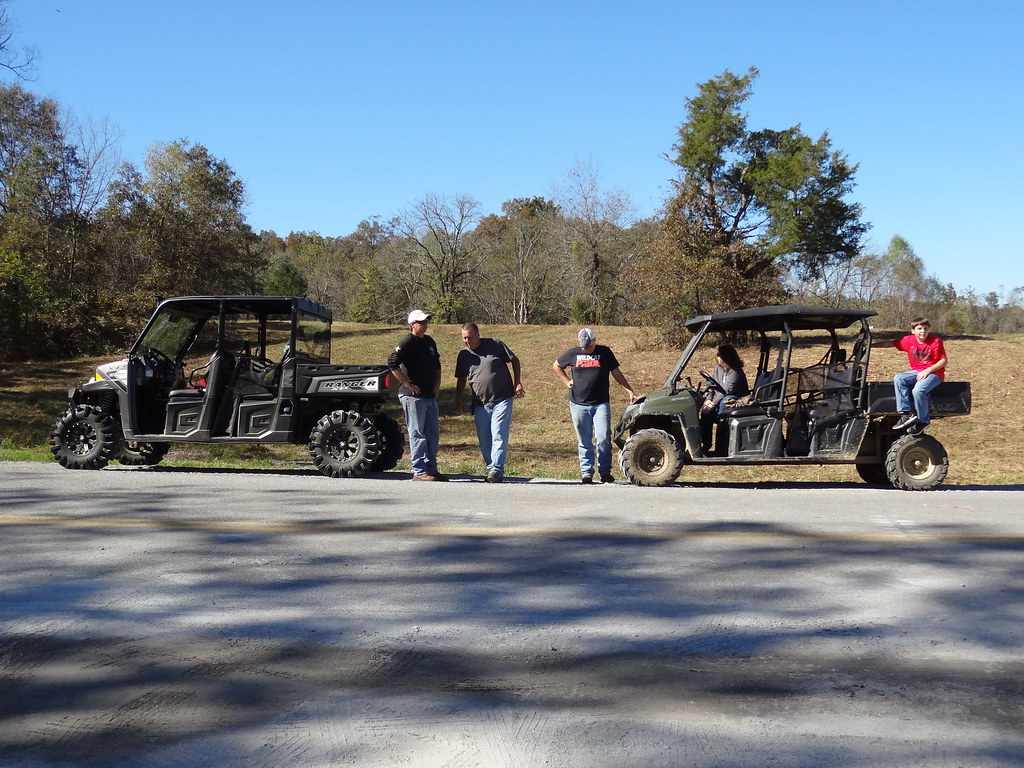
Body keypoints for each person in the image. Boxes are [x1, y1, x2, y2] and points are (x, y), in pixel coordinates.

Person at [552, 328, 638, 484]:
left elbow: (616, 373)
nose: (586, 349)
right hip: (578, 403)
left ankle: (605, 472)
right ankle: (586, 472)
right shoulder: (572, 353)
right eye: (584, 346)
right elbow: (557, 365)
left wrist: (629, 391)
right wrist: (566, 381)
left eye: (589, 346)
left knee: (603, 437)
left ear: (594, 340)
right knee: (584, 439)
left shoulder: (604, 352)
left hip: (600, 403)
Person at [454, 323, 525, 484]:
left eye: (470, 337)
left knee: (499, 433)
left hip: (502, 398)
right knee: (485, 439)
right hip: (480, 403)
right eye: (464, 338)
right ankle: (492, 467)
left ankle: (496, 470)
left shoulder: (495, 344)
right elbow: (461, 379)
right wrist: (459, 398)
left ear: (478, 334)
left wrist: (517, 383)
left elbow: (514, 360)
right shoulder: (464, 355)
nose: (467, 341)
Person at [387, 310, 446, 481]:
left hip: (429, 395)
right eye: (421, 322)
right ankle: (419, 470)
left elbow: (437, 365)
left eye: (426, 322)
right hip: (413, 396)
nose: (425, 325)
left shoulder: (429, 342)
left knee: (432, 433)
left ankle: (431, 468)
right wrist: (407, 384)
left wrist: (437, 385)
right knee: (417, 433)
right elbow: (392, 362)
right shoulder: (407, 342)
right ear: (412, 324)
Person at [872, 316, 947, 430]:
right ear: (913, 331)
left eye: (926, 328)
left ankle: (923, 421)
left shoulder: (936, 342)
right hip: (918, 371)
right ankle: (906, 413)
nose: (923, 331)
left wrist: (927, 371)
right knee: (899, 378)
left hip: (935, 373)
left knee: (918, 390)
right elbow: (889, 344)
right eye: (920, 328)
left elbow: (943, 361)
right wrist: (870, 345)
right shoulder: (908, 340)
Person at [699, 344, 750, 451]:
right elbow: (711, 386)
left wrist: (713, 404)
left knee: (724, 402)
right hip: (720, 398)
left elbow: (726, 390)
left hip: (736, 400)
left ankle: (722, 446)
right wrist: (708, 400)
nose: (717, 357)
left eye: (719, 355)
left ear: (726, 357)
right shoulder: (717, 369)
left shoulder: (735, 371)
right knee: (704, 412)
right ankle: (706, 443)